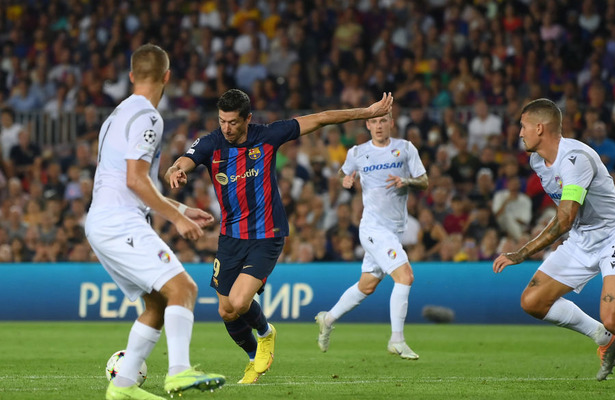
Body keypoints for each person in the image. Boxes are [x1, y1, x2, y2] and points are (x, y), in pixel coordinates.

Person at [165, 89, 394, 384]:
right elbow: (185, 159)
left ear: (247, 119)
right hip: (231, 236)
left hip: (267, 233)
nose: (226, 128)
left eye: (233, 122)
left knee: (239, 301)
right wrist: (176, 170)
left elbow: (322, 118)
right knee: (226, 310)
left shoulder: (268, 136)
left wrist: (366, 112)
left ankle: (265, 333)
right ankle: (253, 358)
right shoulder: (212, 143)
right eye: (222, 121)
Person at [492, 98, 615, 397]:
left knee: (614, 318)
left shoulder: (575, 159)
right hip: (581, 240)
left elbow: (565, 219)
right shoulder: (537, 161)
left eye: (523, 126)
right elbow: (566, 218)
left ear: (540, 128)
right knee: (532, 301)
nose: (520, 133)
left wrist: (522, 252)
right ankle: (603, 338)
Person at [85, 44, 225, 400]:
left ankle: (122, 386)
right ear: (167, 76)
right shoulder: (148, 117)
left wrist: (179, 206)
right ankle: (178, 372)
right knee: (183, 289)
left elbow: (127, 180)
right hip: (120, 222)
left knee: (158, 303)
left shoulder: (116, 115)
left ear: (132, 76)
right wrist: (175, 217)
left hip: (104, 219)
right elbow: (135, 180)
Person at [314, 111, 428, 360]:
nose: (378, 126)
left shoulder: (405, 148)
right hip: (373, 228)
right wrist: (345, 180)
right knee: (405, 276)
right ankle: (397, 340)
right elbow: (342, 173)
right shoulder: (357, 152)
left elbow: (424, 181)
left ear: (391, 123)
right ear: (367, 125)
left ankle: (328, 319)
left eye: (383, 121)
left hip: (395, 229)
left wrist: (407, 181)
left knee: (367, 285)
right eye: (374, 121)